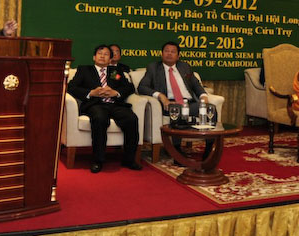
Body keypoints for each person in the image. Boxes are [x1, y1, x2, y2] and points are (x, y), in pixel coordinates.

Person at [67, 44, 142, 173]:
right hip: (95, 105)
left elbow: (129, 87)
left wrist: (115, 92)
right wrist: (91, 93)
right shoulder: (84, 70)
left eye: (106, 54)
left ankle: (129, 159)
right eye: (100, 54)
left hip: (115, 104)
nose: (102, 56)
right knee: (100, 119)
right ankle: (98, 160)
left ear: (110, 59)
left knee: (131, 118)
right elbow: (72, 87)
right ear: (94, 57)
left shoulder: (114, 72)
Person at [138, 41, 213, 158]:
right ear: (162, 54)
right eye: (166, 51)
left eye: (173, 52)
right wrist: (161, 96)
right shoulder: (153, 68)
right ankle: (176, 151)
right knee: (176, 110)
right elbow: (142, 87)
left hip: (188, 103)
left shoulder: (185, 67)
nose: (169, 54)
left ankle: (209, 150)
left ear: (178, 56)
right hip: (170, 103)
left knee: (210, 109)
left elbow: (196, 84)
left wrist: (203, 96)